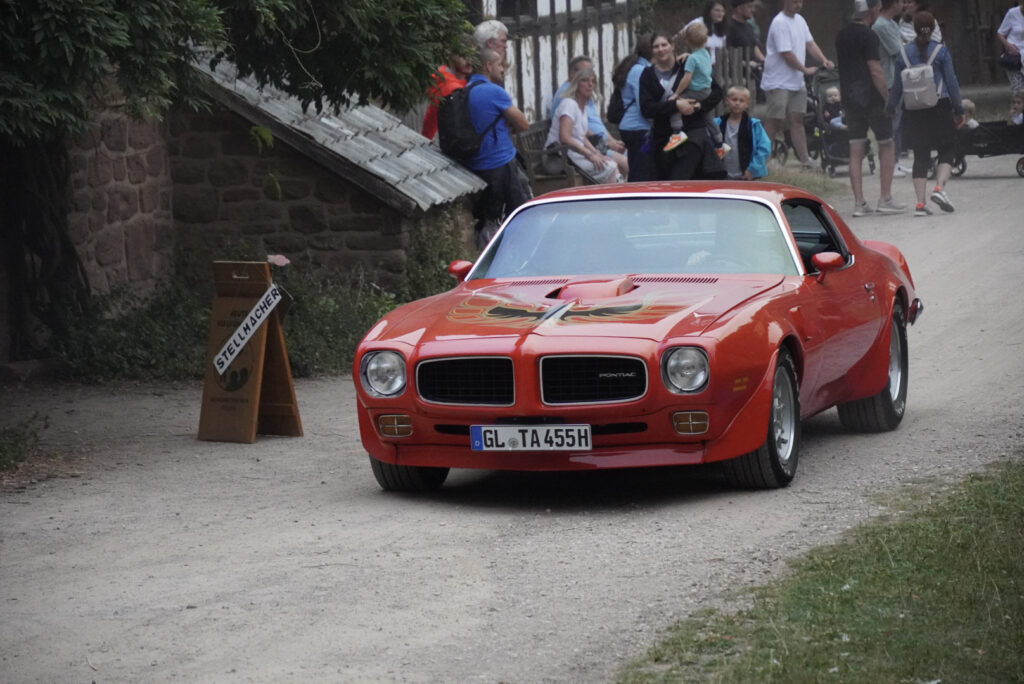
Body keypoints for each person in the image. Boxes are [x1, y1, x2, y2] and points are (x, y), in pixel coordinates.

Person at [888, 11, 963, 217]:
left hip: (913, 110)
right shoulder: (941, 51)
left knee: (920, 155)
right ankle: (939, 188)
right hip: (939, 105)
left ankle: (920, 204)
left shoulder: (903, 54)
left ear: (913, 28)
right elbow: (951, 81)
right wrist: (958, 108)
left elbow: (897, 86)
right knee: (947, 148)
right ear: (933, 28)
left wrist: (891, 106)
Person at [836, 0, 904, 217]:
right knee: (886, 144)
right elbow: (875, 70)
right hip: (872, 99)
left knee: (855, 148)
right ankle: (885, 198)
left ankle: (859, 203)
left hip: (849, 97)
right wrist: (888, 98)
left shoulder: (841, 35)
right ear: (873, 10)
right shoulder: (869, 35)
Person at [464, 49, 532, 248]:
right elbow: (523, 124)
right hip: (500, 162)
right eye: (500, 65)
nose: (502, 69)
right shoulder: (493, 91)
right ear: (488, 66)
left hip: (476, 164)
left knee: (488, 217)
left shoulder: (466, 90)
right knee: (521, 215)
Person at [639, 31, 726, 180]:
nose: (661, 49)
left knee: (680, 182)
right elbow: (646, 108)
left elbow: (716, 92)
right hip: (663, 139)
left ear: (672, 46)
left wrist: (698, 106)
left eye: (664, 45)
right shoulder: (647, 75)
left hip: (692, 136)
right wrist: (676, 106)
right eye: (656, 46)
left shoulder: (689, 64)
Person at [760, 0, 835, 169]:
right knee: (775, 120)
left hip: (795, 81)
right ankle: (761, 158)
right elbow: (786, 53)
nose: (798, 4)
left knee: (797, 119)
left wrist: (823, 60)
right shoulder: (779, 23)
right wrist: (805, 69)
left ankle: (805, 159)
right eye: (794, 1)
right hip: (778, 80)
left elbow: (810, 43)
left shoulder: (800, 20)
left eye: (800, 1)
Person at [546, 67, 626, 183]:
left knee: (609, 163)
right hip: (560, 156)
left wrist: (595, 152)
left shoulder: (582, 107)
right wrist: (589, 154)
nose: (590, 84)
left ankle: (615, 193)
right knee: (610, 167)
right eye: (585, 80)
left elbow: (581, 136)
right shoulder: (569, 104)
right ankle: (614, 195)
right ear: (577, 84)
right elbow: (565, 137)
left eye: (593, 81)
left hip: (574, 152)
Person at [664, 22, 726, 155]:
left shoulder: (691, 59)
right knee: (709, 118)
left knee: (676, 104)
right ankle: (720, 143)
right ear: (705, 39)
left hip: (696, 91)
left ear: (687, 41)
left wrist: (677, 94)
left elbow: (686, 79)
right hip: (707, 91)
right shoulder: (705, 54)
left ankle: (677, 132)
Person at [610, 34, 656, 181]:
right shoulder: (639, 71)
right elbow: (644, 101)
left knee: (642, 168)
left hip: (638, 128)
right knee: (640, 171)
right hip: (637, 129)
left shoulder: (643, 68)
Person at [873, 0, 911, 177]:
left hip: (898, 78)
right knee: (892, 123)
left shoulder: (892, 24)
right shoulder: (880, 25)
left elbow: (905, 42)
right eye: (901, 2)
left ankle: (896, 160)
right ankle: (889, 163)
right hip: (889, 79)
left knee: (899, 122)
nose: (903, 5)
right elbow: (899, 49)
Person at [714, 85, 772, 179]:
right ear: (727, 101)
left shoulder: (754, 125)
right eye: (734, 99)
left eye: (741, 101)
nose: (737, 103)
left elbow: (764, 147)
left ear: (747, 104)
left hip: (746, 175)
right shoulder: (717, 123)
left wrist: (752, 169)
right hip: (721, 175)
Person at [421, 54, 472, 140]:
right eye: (464, 56)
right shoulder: (449, 86)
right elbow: (432, 119)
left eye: (473, 57)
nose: (469, 62)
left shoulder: (445, 72)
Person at [997, 0, 1024, 93]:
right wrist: (1009, 46)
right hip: (1015, 56)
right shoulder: (1012, 13)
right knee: (1018, 91)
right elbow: (1000, 33)